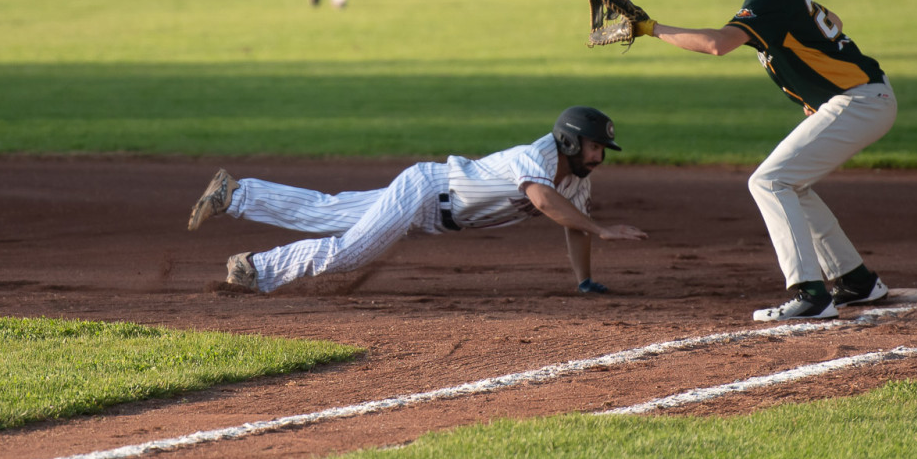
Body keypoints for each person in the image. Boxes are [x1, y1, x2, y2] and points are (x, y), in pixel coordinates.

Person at [631, 0, 896, 322]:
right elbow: (834, 21)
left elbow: (718, 45)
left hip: (860, 100)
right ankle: (855, 280)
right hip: (859, 97)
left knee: (769, 181)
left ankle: (810, 292)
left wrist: (650, 28)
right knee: (793, 185)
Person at [187, 107, 647, 294]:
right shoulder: (537, 158)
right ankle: (256, 269)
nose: (599, 156)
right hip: (427, 189)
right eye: (593, 146)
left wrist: (585, 280)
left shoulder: (576, 179)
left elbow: (572, 222)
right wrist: (602, 229)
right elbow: (543, 201)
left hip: (432, 207)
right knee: (349, 254)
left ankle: (238, 194)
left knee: (328, 211)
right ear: (569, 142)